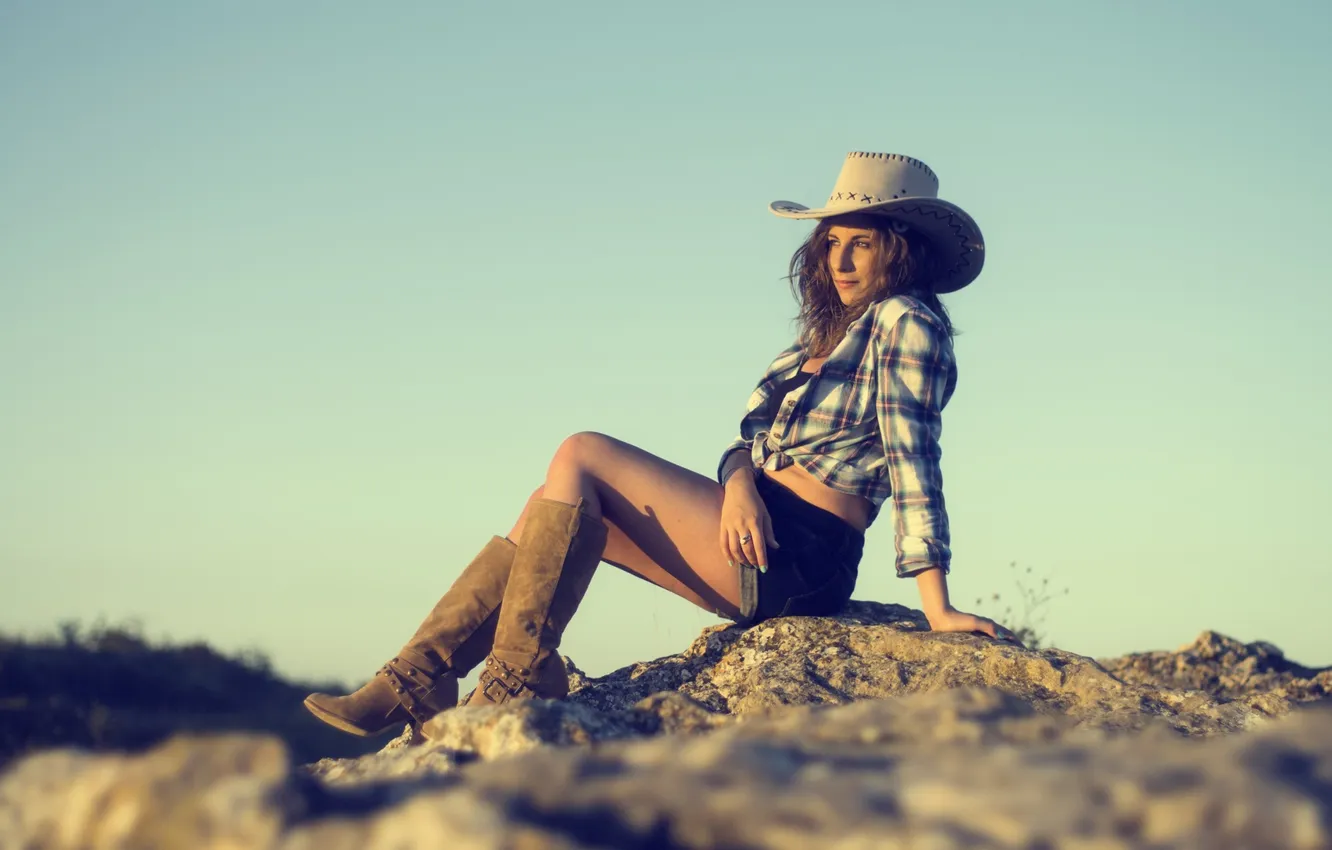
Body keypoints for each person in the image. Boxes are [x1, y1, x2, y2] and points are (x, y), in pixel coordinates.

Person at [304, 151, 1021, 738]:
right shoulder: (815, 343)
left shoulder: (907, 322)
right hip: (753, 523)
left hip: (803, 553)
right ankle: (425, 677)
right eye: (831, 241)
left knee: (581, 451)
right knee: (551, 502)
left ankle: (506, 680)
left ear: (900, 248)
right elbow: (746, 442)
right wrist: (739, 486)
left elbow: (913, 455)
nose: (840, 258)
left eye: (860, 241)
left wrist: (936, 604)